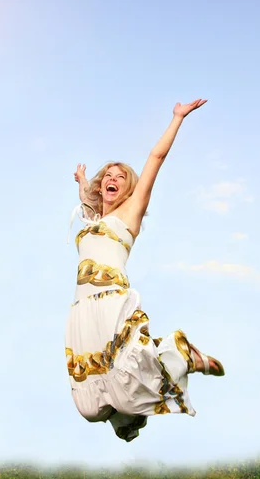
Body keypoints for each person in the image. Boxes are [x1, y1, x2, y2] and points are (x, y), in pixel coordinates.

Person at [65, 99, 224, 442]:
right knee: (91, 408)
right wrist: (82, 181)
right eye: (107, 175)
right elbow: (90, 203)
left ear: (129, 188)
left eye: (120, 177)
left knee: (127, 370)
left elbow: (155, 158)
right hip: (82, 306)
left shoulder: (131, 213)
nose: (112, 179)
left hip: (111, 299)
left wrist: (177, 118)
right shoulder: (95, 219)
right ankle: (128, 416)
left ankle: (185, 356)